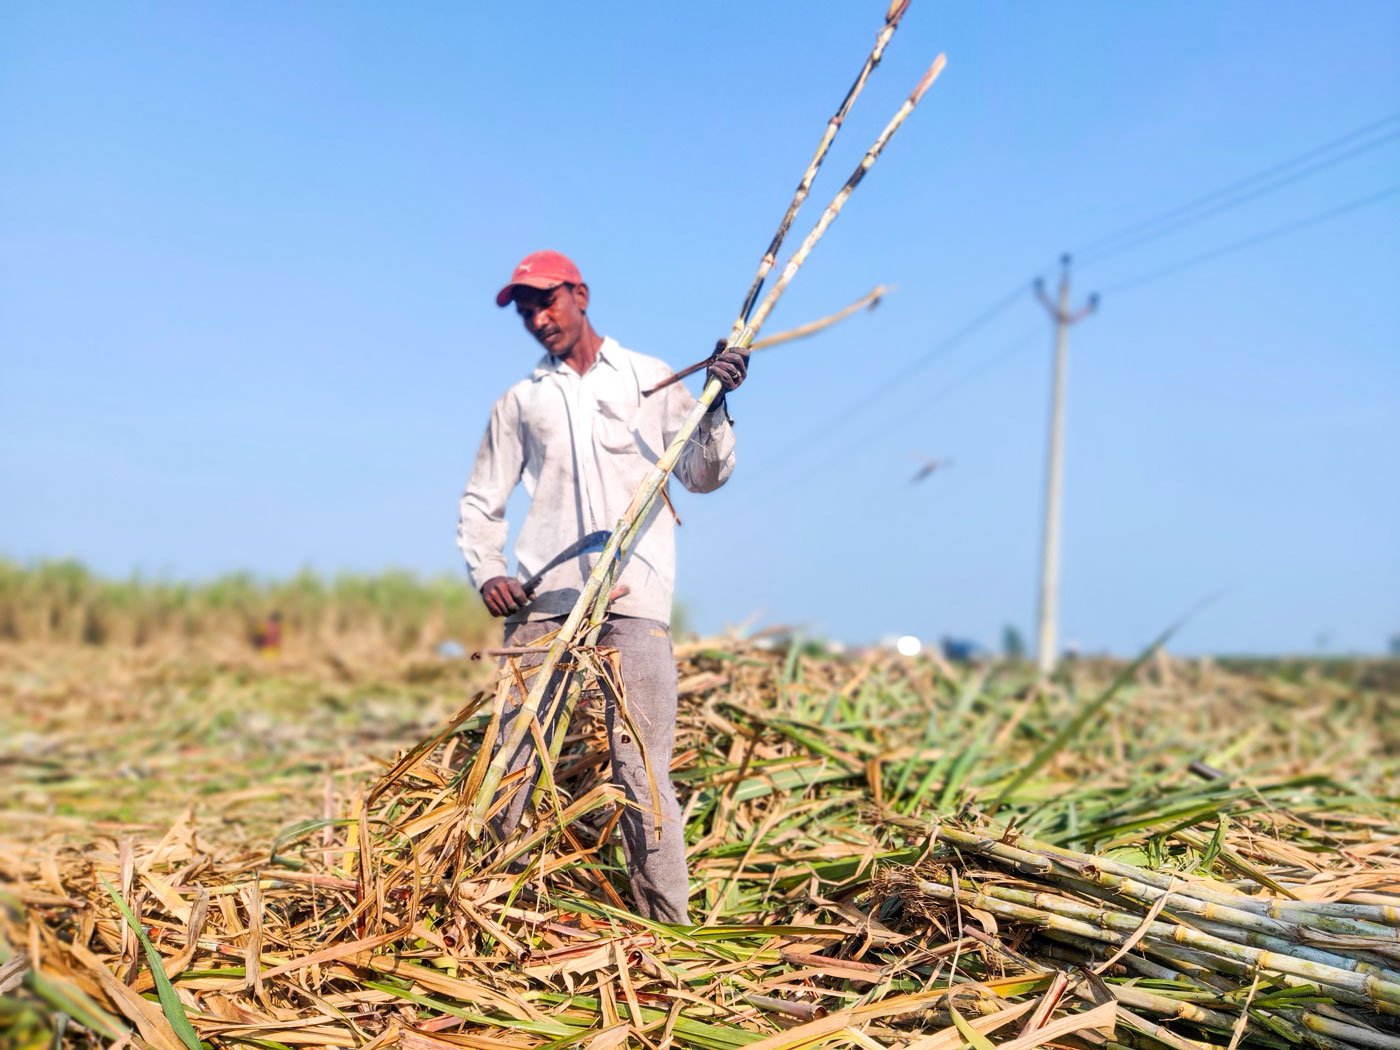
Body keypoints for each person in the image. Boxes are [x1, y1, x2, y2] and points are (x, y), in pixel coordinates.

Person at [456, 250, 747, 922]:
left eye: (546, 299)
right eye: (525, 307)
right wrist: (490, 570)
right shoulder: (522, 402)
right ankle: (482, 906)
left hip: (635, 599)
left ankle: (664, 930)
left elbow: (703, 476)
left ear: (580, 293)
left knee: (641, 767)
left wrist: (717, 399)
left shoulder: (650, 378)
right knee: (514, 757)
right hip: (545, 597)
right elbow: (481, 500)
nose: (537, 316)